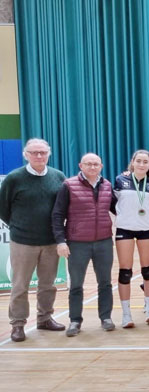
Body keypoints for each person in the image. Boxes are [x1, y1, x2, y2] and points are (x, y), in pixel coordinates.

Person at [0, 139, 66, 342]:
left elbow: (62, 206)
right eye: (34, 152)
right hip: (23, 242)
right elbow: (3, 208)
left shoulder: (58, 176)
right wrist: (20, 226)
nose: (39, 156)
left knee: (48, 284)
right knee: (20, 285)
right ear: (25, 154)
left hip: (50, 241)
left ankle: (44, 318)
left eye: (43, 152)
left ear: (49, 154)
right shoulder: (14, 178)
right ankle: (18, 324)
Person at [51, 153, 115, 337]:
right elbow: (57, 215)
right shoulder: (68, 185)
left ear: (101, 166)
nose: (93, 167)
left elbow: (118, 207)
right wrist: (61, 241)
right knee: (76, 285)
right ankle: (75, 320)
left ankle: (106, 318)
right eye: (89, 164)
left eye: (96, 164)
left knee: (105, 283)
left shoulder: (107, 185)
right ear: (81, 165)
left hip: (103, 241)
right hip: (77, 243)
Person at [112, 150, 149, 327]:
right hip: (125, 229)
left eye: (144, 162)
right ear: (132, 163)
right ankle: (126, 314)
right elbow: (113, 203)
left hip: (146, 230)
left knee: (148, 270)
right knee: (125, 271)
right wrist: (124, 216)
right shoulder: (120, 180)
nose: (141, 164)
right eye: (138, 161)